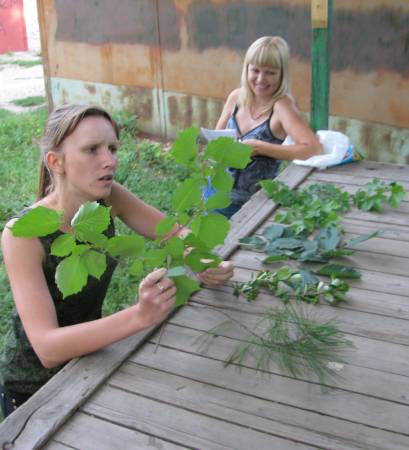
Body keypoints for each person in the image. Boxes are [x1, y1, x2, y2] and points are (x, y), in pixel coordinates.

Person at [0, 104, 234, 418]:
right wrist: (140, 315)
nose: (109, 160)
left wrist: (204, 260)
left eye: (112, 148)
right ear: (56, 161)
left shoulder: (108, 199)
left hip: (92, 359)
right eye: (92, 150)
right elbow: (47, 348)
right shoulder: (23, 235)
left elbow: (171, 232)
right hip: (33, 388)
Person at [212, 36, 322, 218]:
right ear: (246, 69)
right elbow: (216, 140)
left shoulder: (282, 106)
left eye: (270, 72)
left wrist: (260, 148)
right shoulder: (235, 98)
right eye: (255, 70)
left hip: (250, 206)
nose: (261, 79)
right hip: (214, 192)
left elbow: (313, 149)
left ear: (282, 74)